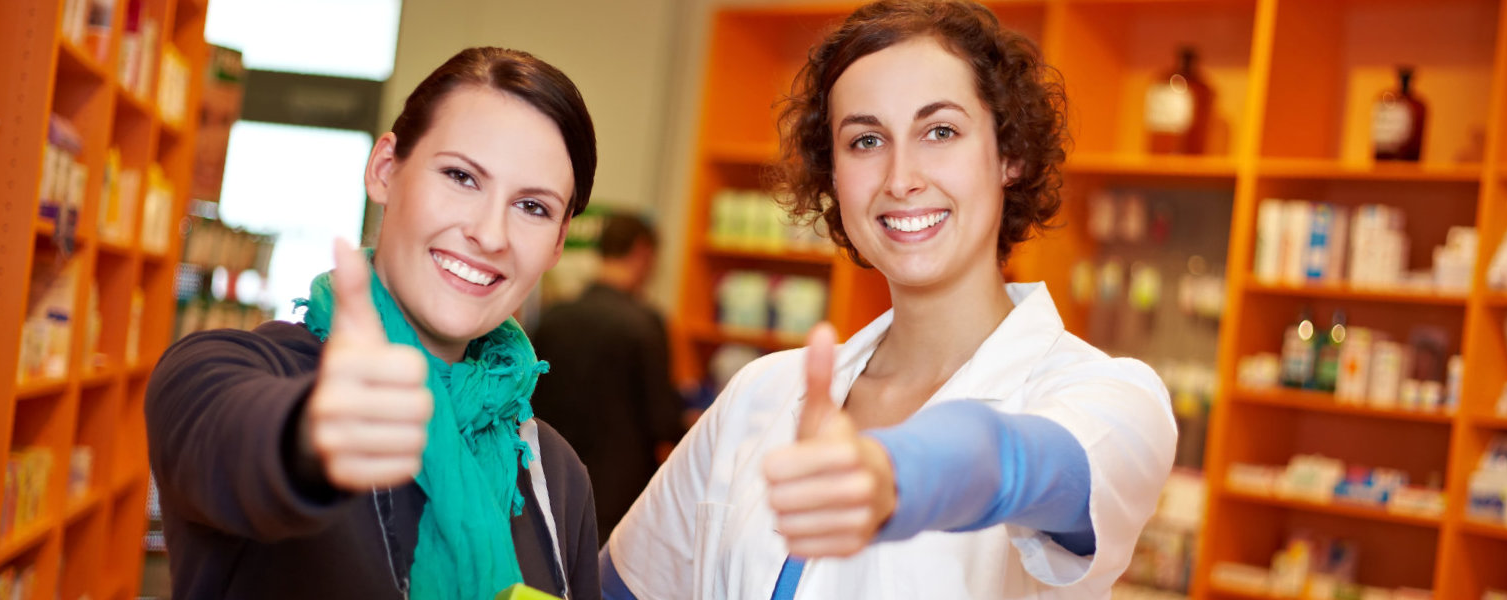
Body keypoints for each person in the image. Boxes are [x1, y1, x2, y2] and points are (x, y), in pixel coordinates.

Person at [601, 1, 1178, 598]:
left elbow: (1012, 461)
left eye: (940, 131)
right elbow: (622, 584)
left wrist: (891, 474)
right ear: (834, 175)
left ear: (1011, 155)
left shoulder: (1109, 397)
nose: (900, 178)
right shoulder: (760, 393)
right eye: (866, 139)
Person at [146, 47, 603, 600]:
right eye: (461, 176)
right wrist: (313, 432)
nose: (490, 234)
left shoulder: (553, 474)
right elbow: (230, 437)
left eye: (533, 207)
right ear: (385, 170)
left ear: (557, 243)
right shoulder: (231, 370)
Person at [531, 213, 684, 541]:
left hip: (546, 482)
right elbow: (663, 423)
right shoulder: (645, 324)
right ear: (643, 252)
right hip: (614, 502)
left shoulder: (553, 317)